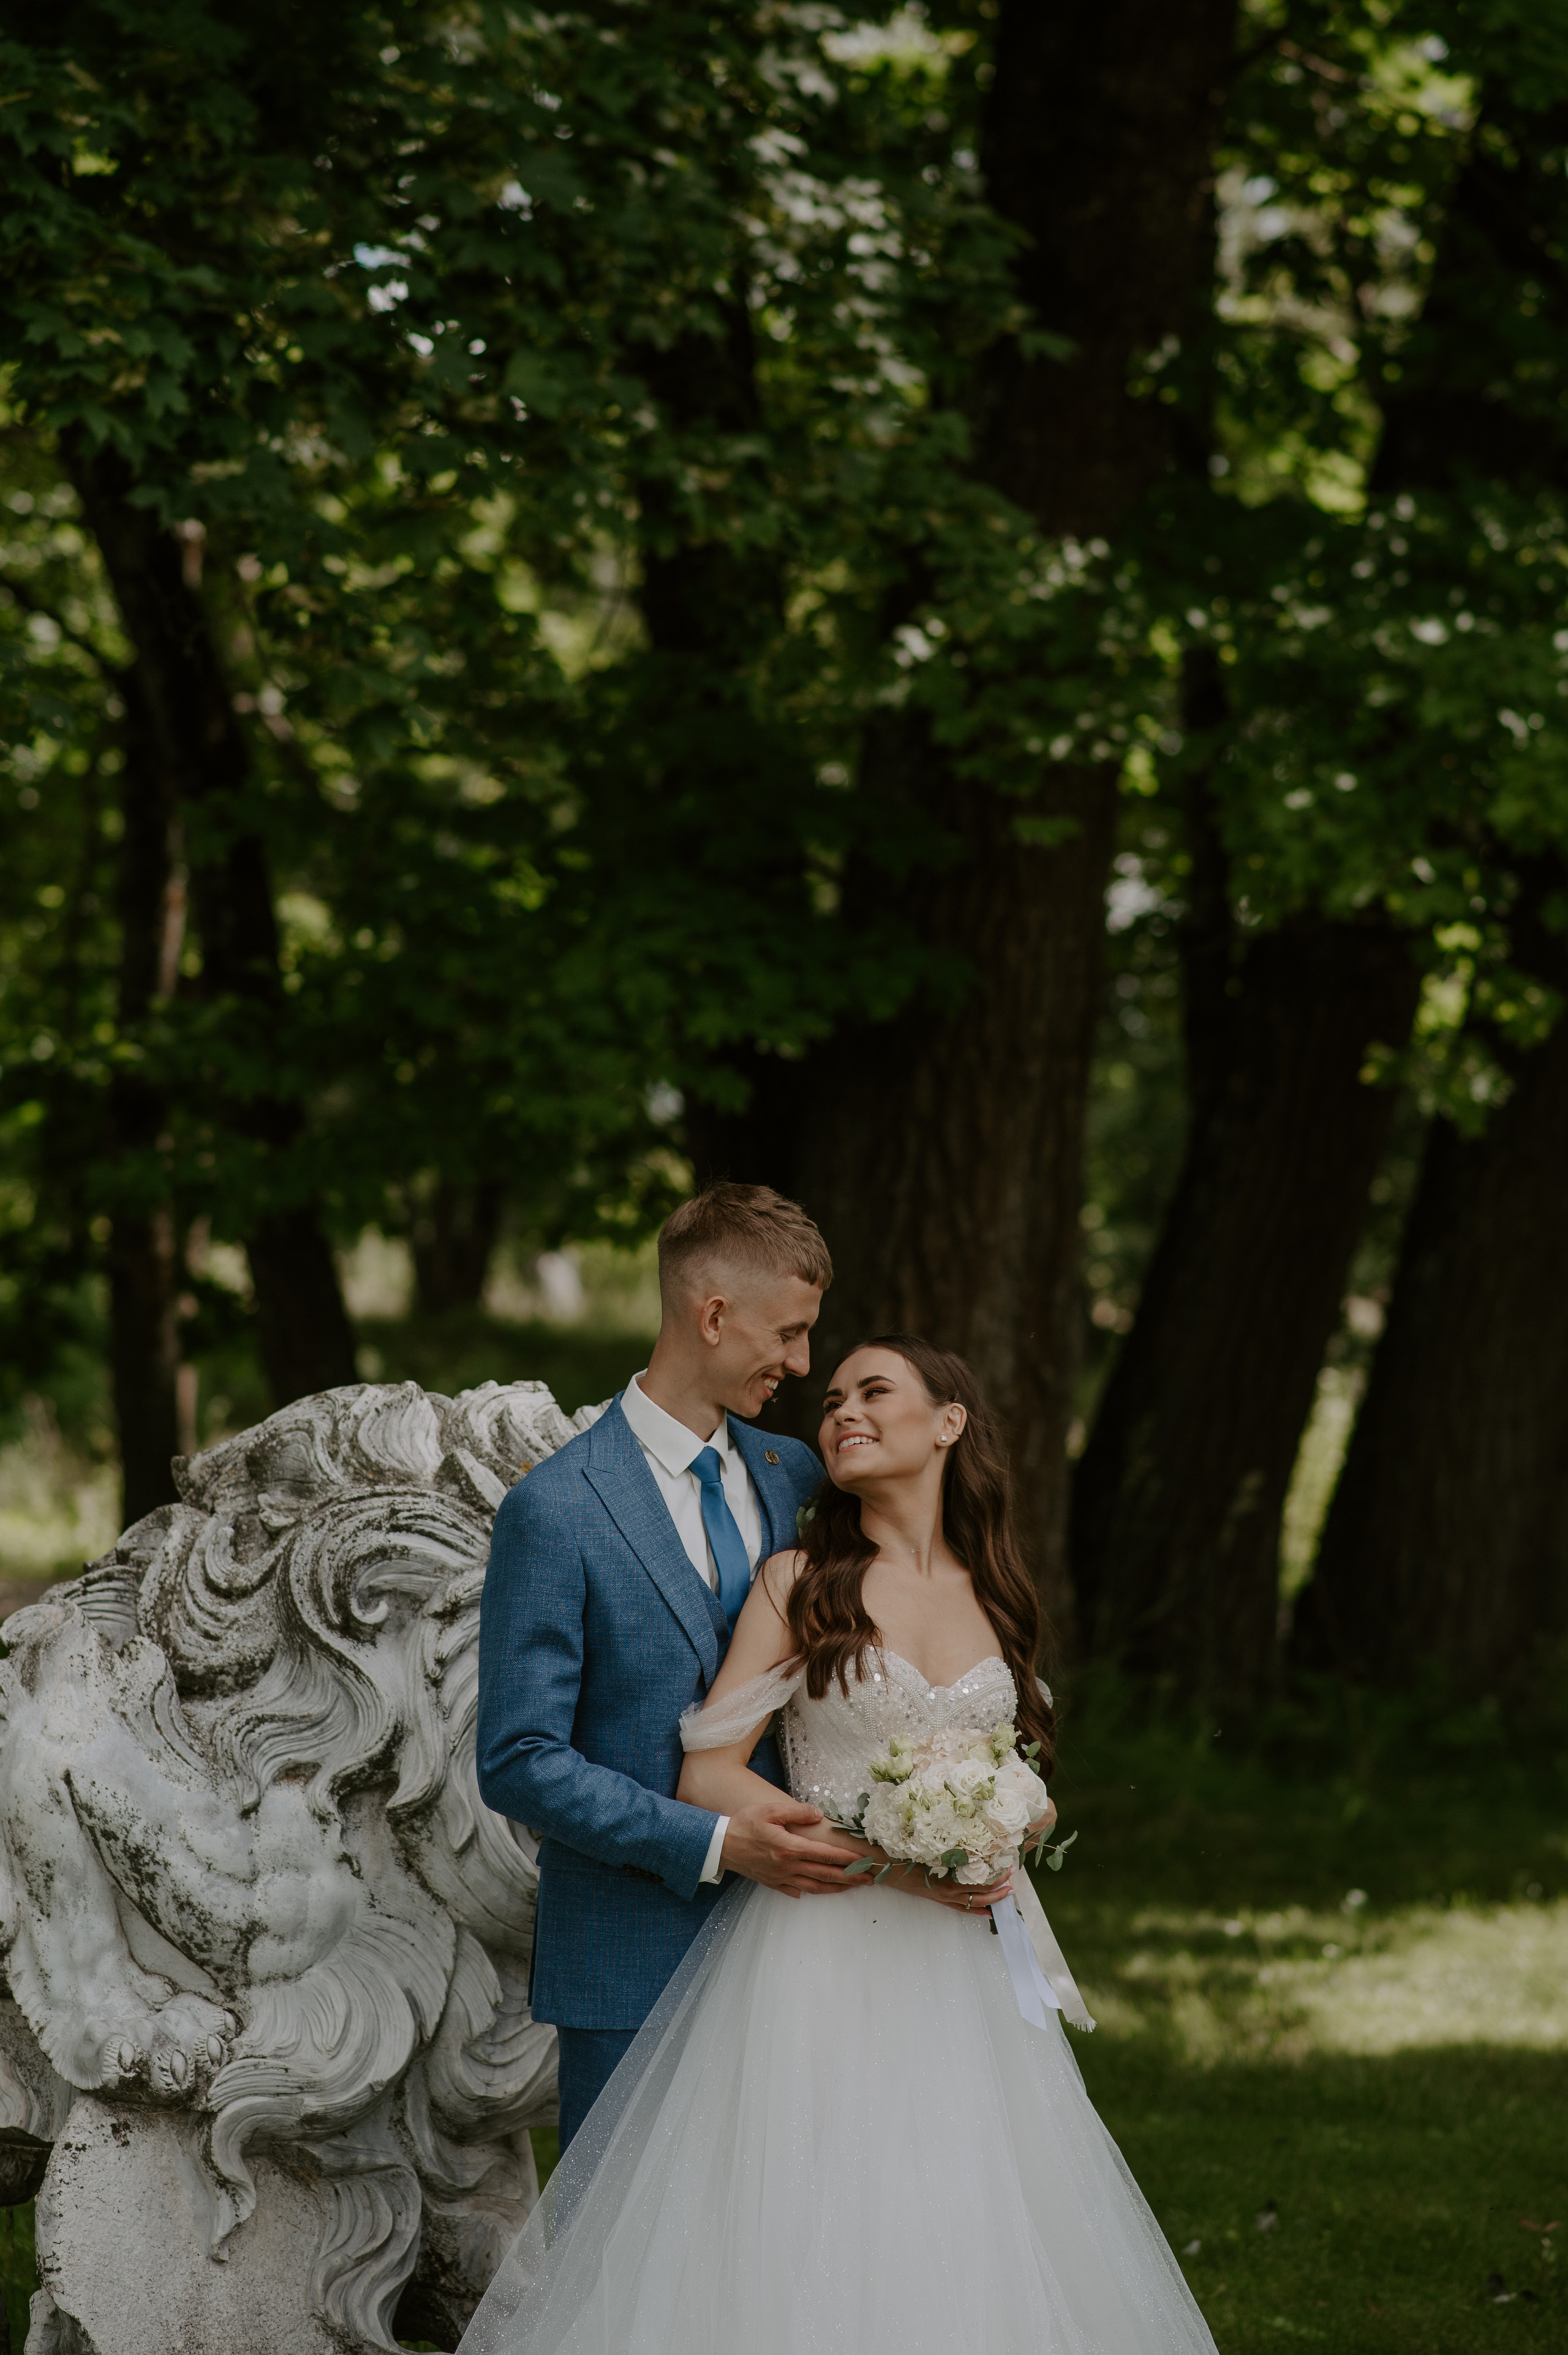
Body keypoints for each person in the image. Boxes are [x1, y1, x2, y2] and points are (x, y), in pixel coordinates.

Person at [460, 1335, 1220, 2355]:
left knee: (964, 2206)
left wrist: (1011, 1818)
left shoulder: (996, 1587)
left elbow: (1019, 1758)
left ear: (949, 1421)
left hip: (960, 1965)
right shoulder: (801, 1581)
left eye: (873, 1391)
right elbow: (709, 1772)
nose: (841, 1410)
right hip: (820, 1949)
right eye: (830, 1400)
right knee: (807, 2208)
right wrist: (892, 1859)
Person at [476, 1183, 853, 2153]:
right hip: (629, 1962)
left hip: (807, 1951)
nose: (803, 1363)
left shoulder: (801, 1478)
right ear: (713, 1315)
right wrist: (717, 1841)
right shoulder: (554, 1509)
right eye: (790, 1332)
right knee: (624, 2250)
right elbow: (520, 1758)